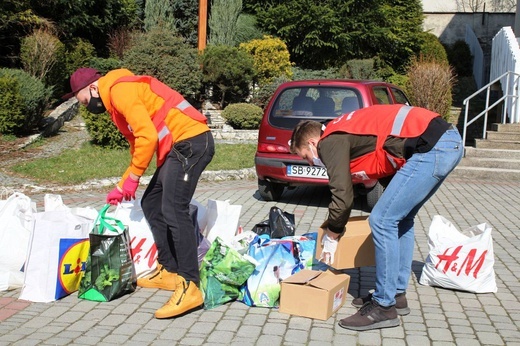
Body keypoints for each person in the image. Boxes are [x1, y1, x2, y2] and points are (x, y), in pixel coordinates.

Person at [290, 104, 463, 331]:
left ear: (313, 143)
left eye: (306, 157)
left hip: (433, 147)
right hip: (447, 142)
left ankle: (384, 306)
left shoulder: (329, 141)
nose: (311, 162)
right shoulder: (345, 130)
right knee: (401, 219)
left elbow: (342, 195)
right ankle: (396, 296)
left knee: (381, 220)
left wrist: (332, 234)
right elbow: (386, 155)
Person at [63, 67, 215, 319]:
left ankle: (190, 285)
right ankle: (169, 270)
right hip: (177, 147)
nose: (88, 107)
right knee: (152, 203)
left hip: (192, 141)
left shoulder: (120, 89)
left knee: (174, 208)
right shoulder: (115, 102)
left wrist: (133, 179)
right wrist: (123, 184)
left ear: (92, 88)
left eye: (86, 102)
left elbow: (147, 136)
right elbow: (138, 144)